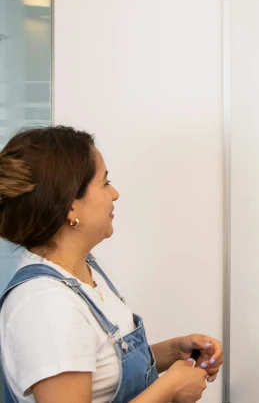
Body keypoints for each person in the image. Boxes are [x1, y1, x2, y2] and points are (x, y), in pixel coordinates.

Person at [0, 126, 223, 403]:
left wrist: (173, 351)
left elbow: (100, 370)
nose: (115, 193)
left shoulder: (84, 271)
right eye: (105, 182)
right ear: (71, 205)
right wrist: (170, 389)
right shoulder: (47, 306)